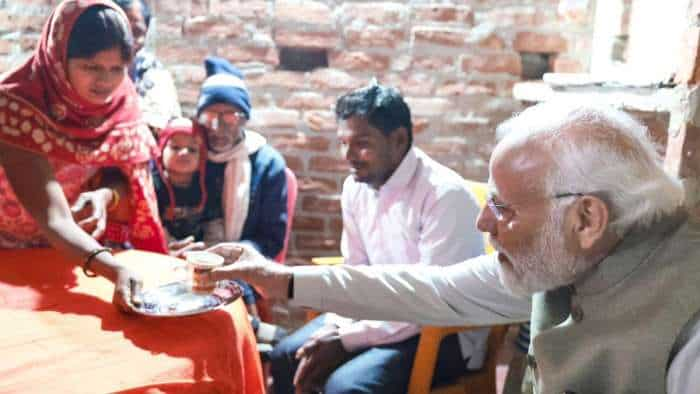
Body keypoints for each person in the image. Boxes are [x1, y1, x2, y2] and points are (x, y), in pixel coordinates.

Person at [206, 101, 700, 394]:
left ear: (586, 217)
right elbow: (429, 287)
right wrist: (281, 278)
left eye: (504, 208)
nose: (484, 219)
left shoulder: (688, 333)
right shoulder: (569, 254)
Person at [267, 82, 488, 394]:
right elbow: (355, 269)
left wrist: (347, 340)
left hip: (443, 330)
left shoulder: (445, 195)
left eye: (362, 144)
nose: (348, 155)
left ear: (398, 140)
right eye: (343, 142)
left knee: (346, 388)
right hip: (380, 310)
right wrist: (335, 327)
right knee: (285, 356)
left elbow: (434, 300)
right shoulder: (355, 187)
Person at [0, 0, 167, 310]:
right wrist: (113, 268)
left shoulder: (120, 103)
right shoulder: (16, 106)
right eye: (91, 67)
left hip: (73, 255)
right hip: (7, 258)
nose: (105, 81)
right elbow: (53, 216)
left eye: (116, 68)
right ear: (59, 59)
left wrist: (106, 197)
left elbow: (124, 178)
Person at [112, 0, 181, 132]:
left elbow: (170, 131)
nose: (128, 40)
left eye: (136, 32)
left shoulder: (157, 76)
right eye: (121, 30)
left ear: (146, 33)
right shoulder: (88, 72)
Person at [151, 117, 208, 249]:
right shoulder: (153, 185)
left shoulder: (207, 186)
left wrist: (210, 247)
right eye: (175, 147)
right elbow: (153, 223)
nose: (183, 153)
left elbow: (214, 222)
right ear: (161, 152)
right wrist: (170, 245)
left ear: (203, 157)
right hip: (163, 248)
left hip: (201, 251)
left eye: (192, 150)